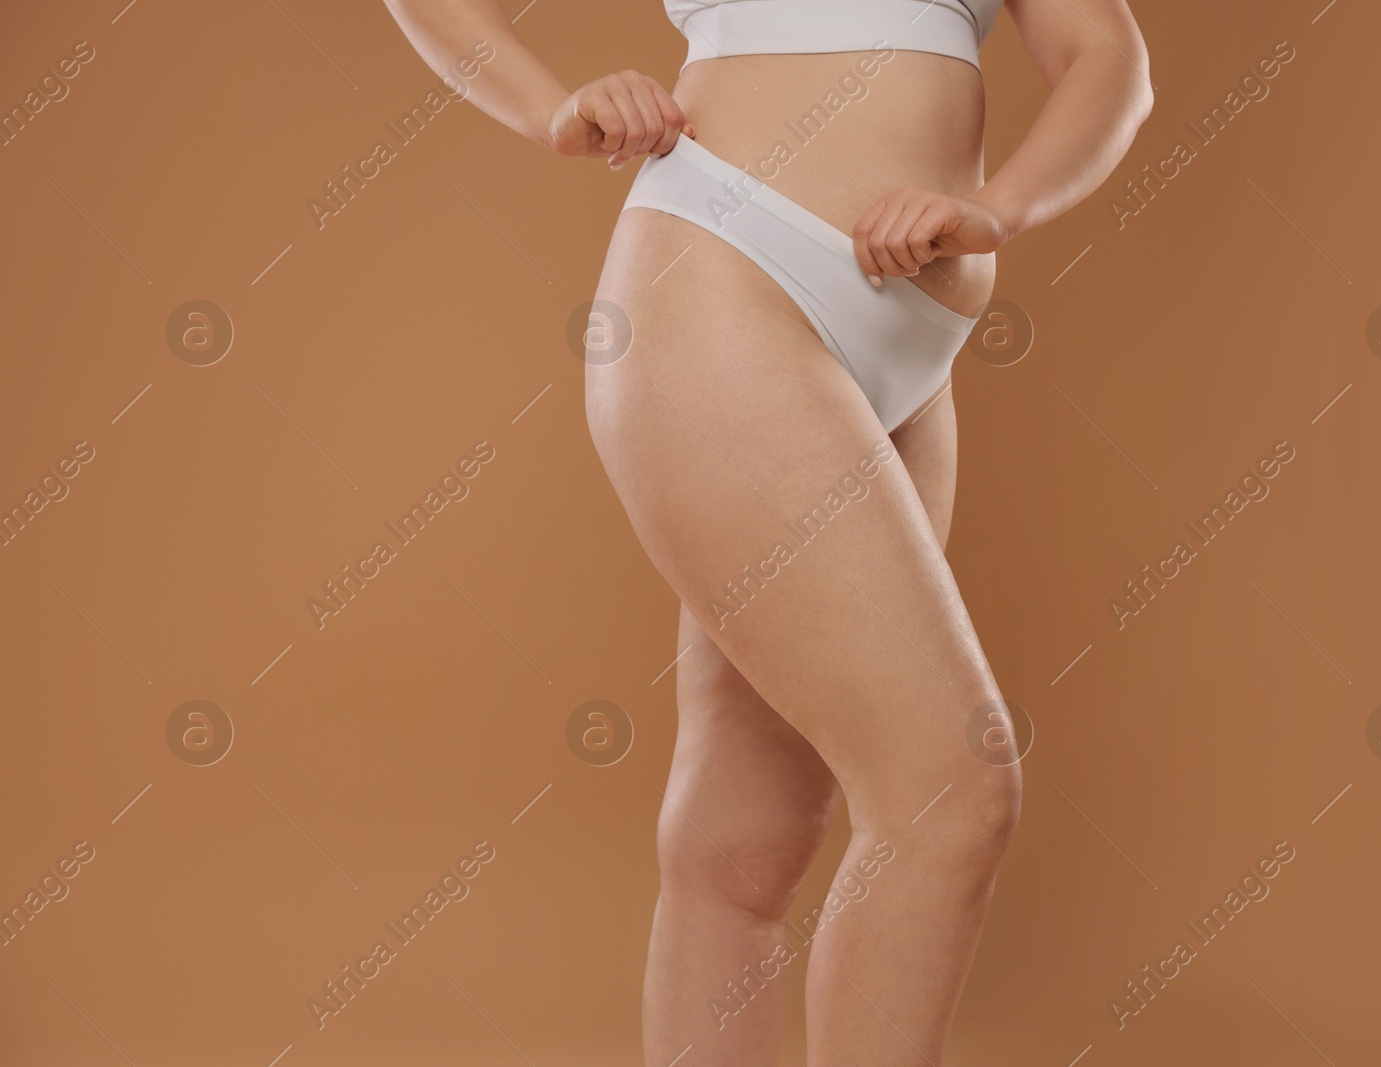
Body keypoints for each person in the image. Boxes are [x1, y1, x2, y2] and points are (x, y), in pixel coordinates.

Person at [384, 1, 1153, 1063]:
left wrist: (1000, 208)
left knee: (742, 847)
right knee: (949, 794)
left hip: (912, 342)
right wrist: (552, 108)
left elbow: (1109, 57)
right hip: (726, 272)